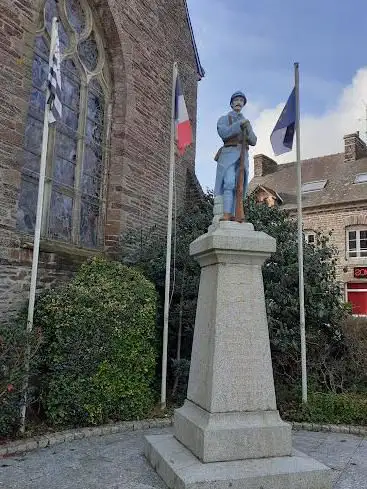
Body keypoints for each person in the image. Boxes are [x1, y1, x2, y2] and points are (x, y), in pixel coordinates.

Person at [214, 91, 257, 221]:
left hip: (243, 156)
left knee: (240, 187)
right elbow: (224, 133)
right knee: (229, 183)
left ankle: (236, 214)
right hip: (228, 155)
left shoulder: (246, 121)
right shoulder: (224, 119)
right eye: (236, 100)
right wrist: (239, 125)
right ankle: (227, 213)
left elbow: (253, 140)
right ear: (232, 103)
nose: (239, 102)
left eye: (241, 101)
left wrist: (247, 127)